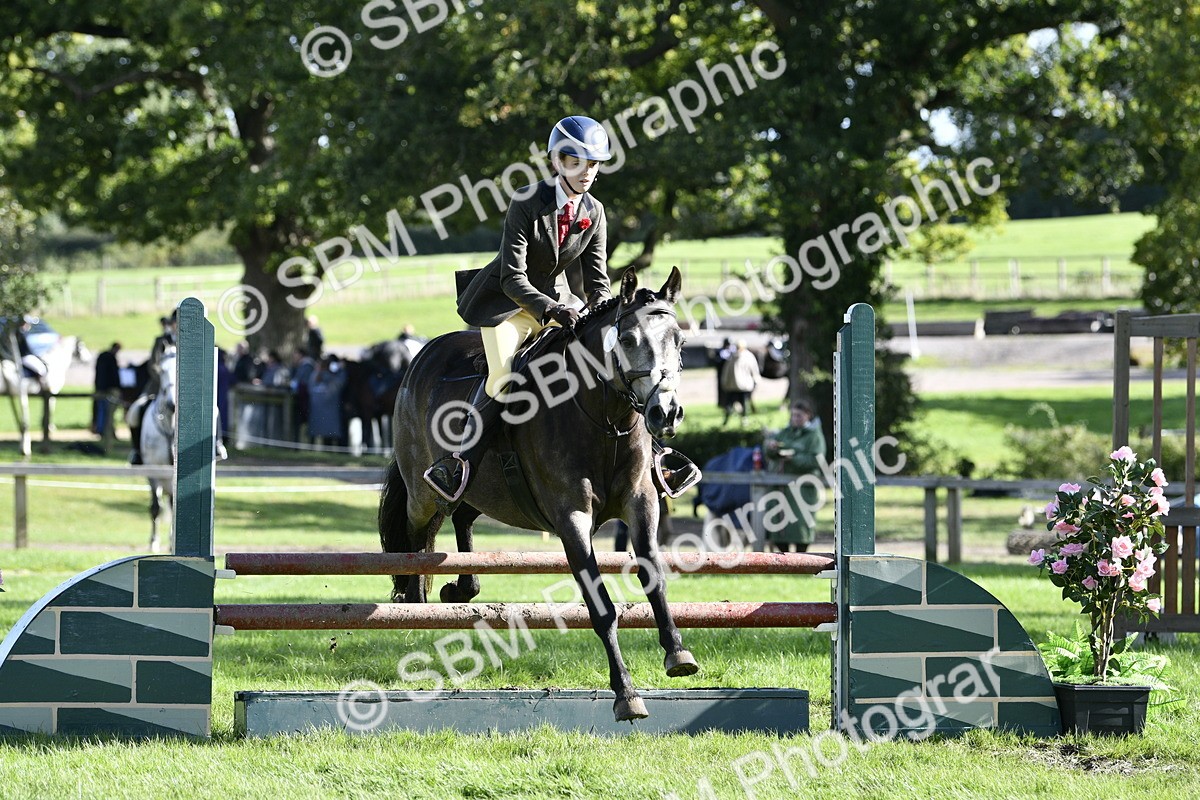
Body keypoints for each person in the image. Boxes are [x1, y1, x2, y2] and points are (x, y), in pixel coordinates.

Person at [424, 115, 614, 504]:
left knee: (607, 362)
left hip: (561, 302)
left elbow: (597, 283)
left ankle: (649, 455)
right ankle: (458, 464)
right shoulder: (528, 200)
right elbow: (512, 277)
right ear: (557, 162)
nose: (587, 172)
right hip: (509, 305)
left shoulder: (594, 211)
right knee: (503, 379)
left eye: (593, 164)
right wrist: (551, 310)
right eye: (578, 162)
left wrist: (605, 318)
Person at [763, 399, 826, 552]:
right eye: (793, 415)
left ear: (808, 416)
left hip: (803, 489)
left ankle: (801, 559)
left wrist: (793, 458)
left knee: (800, 525)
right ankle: (784, 561)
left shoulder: (814, 436)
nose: (795, 419)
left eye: (799, 416)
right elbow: (770, 452)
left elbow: (817, 459)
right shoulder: (786, 432)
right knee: (779, 524)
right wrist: (771, 447)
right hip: (781, 488)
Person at [719, 340, 760, 425]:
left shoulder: (731, 357)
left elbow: (726, 373)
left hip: (732, 387)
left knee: (730, 405)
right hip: (745, 386)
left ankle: (726, 422)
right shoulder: (749, 356)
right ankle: (744, 420)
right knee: (744, 404)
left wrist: (725, 384)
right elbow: (754, 370)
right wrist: (756, 380)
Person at [92, 342, 122, 436]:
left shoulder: (102, 356)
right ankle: (106, 431)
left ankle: (100, 429)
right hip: (109, 389)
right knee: (108, 411)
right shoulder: (111, 358)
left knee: (100, 410)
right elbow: (114, 375)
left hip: (100, 388)